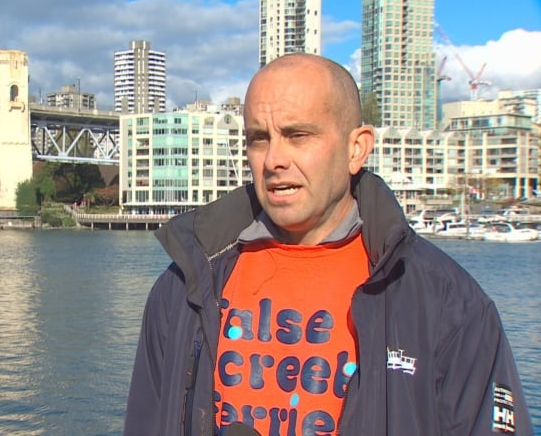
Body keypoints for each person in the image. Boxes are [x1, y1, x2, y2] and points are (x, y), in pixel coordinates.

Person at [123, 53, 532, 436]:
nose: (274, 160)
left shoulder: (449, 304)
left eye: (298, 135)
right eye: (259, 139)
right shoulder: (182, 288)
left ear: (357, 149)